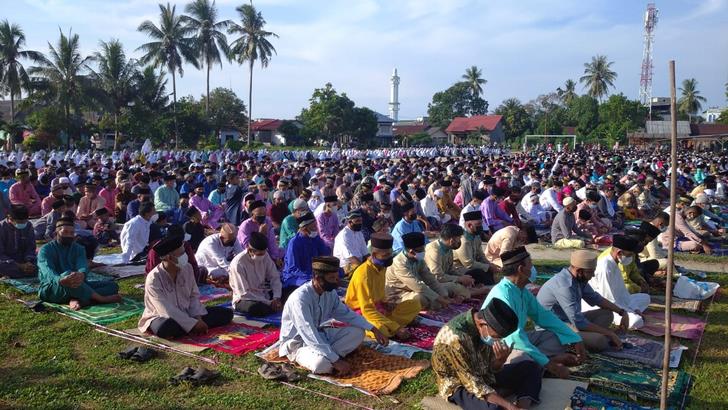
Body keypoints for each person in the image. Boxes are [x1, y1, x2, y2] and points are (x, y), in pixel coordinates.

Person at [483, 247, 585, 378]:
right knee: (523, 358)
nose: (533, 268)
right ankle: (543, 364)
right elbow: (515, 338)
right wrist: (552, 366)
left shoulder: (521, 291)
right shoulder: (503, 295)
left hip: (519, 340)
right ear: (521, 269)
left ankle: (541, 361)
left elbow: (544, 317)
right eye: (530, 264)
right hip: (498, 349)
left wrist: (575, 338)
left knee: (556, 336)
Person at [277, 256, 388, 375]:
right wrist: (336, 361)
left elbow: (346, 314)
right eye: (331, 278)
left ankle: (328, 356)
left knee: (358, 332)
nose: (336, 281)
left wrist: (373, 328)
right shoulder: (300, 299)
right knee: (321, 365)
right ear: (316, 278)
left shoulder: (330, 293)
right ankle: (329, 358)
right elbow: (308, 332)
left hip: (320, 335)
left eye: (336, 277)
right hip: (297, 344)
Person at [432, 298, 541, 410]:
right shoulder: (455, 339)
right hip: (461, 384)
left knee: (531, 368)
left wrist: (500, 361)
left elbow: (489, 368)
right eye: (496, 337)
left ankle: (523, 405)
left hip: (484, 375)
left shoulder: (486, 328)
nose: (497, 341)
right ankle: (500, 397)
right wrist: (510, 406)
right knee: (492, 408)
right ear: (482, 324)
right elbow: (473, 384)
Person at [138, 234, 233, 339]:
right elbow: (165, 309)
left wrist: (198, 318)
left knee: (226, 314)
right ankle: (188, 328)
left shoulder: (187, 268)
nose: (185, 255)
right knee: (165, 327)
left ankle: (186, 329)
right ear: (169, 257)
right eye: (182, 253)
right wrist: (192, 324)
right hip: (162, 317)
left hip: (188, 312)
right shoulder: (154, 278)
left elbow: (194, 296)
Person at [537, 250, 630, 352]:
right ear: (579, 271)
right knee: (600, 341)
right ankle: (573, 342)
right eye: (591, 272)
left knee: (607, 314)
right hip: (553, 329)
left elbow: (596, 298)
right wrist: (609, 333)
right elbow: (578, 321)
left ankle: (584, 337)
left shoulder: (578, 279)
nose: (593, 275)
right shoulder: (564, 286)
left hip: (569, 322)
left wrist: (622, 312)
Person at [345, 233, 419, 340]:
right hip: (361, 313)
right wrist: (396, 328)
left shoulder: (382, 266)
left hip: (379, 308)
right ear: (374, 255)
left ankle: (391, 324)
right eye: (385, 255)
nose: (389, 258)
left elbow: (380, 293)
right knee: (381, 330)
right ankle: (392, 325)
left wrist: (385, 303)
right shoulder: (363, 275)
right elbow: (367, 310)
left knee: (415, 304)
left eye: (390, 254)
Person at [38, 218, 121, 310]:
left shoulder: (78, 248)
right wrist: (60, 280)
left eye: (71, 233)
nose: (69, 235)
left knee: (112, 286)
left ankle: (76, 298)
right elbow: (47, 270)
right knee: (68, 275)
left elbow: (82, 265)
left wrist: (82, 274)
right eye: (65, 232)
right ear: (56, 233)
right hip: (53, 287)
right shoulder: (45, 250)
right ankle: (100, 298)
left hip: (77, 283)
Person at [585, 235, 650, 329]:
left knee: (645, 297)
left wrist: (634, 309)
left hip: (618, 302)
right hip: (602, 306)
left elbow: (623, 293)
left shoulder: (614, 263)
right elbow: (607, 299)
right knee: (636, 321)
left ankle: (632, 312)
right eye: (630, 255)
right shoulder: (605, 267)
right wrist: (625, 312)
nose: (631, 258)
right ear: (619, 253)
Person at [386, 232, 455, 312]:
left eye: (423, 248)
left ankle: (434, 304)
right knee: (422, 298)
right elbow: (417, 286)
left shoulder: (419, 260)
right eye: (421, 250)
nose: (423, 252)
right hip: (398, 295)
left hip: (414, 290)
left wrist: (444, 295)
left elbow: (430, 279)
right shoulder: (399, 263)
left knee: (444, 291)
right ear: (411, 251)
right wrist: (439, 299)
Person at [425, 224, 489, 299]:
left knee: (469, 276)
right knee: (455, 287)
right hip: (432, 283)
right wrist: (459, 279)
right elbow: (437, 277)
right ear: (452, 240)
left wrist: (463, 278)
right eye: (459, 238)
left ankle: (470, 290)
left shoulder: (448, 248)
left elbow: (451, 269)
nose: (460, 241)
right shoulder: (434, 250)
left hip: (444, 278)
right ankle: (474, 292)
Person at [229, 231, 283, 316]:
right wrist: (268, 303)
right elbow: (244, 293)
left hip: (264, 294)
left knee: (288, 292)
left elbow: (274, 277)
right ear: (250, 250)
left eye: (264, 253)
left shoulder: (265, 256)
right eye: (260, 254)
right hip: (246, 299)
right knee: (259, 309)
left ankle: (274, 305)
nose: (263, 256)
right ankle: (272, 306)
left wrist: (276, 297)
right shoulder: (238, 263)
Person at [281, 212, 331, 299]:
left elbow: (325, 255)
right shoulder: (295, 242)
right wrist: (311, 277)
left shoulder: (316, 238)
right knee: (310, 284)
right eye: (313, 227)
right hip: (296, 277)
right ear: (304, 228)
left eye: (316, 226)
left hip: (314, 273)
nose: (316, 229)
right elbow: (293, 268)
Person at [237, 200, 284, 265]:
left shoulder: (267, 221)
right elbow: (247, 247)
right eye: (259, 214)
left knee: (282, 252)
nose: (262, 216)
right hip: (249, 253)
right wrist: (260, 234)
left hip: (263, 250)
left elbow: (271, 242)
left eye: (264, 214)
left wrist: (275, 258)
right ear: (252, 214)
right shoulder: (245, 226)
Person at [453, 211, 493, 285]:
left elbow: (480, 255)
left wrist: (490, 265)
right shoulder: (462, 240)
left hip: (473, 266)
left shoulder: (476, 236)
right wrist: (488, 267)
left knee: (489, 271)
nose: (481, 226)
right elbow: (468, 263)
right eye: (478, 224)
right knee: (480, 273)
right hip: (459, 269)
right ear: (469, 225)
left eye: (481, 224)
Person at [0, 204, 37, 278]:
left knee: (42, 260)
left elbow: (31, 246)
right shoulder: (1, 228)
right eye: (20, 222)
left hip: (24, 260)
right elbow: (1, 254)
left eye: (24, 221)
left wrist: (28, 262)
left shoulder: (28, 225)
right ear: (10, 218)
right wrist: (19, 266)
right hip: (7, 261)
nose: (23, 224)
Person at [333, 210, 369, 277]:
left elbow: (366, 253)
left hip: (358, 263)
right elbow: (351, 258)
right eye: (357, 221)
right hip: (346, 267)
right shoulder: (344, 235)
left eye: (361, 221)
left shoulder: (359, 233)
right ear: (350, 222)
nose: (360, 223)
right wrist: (364, 270)